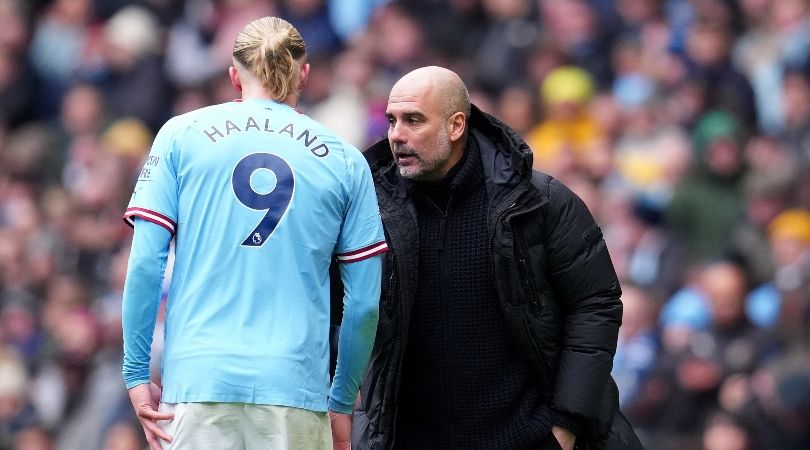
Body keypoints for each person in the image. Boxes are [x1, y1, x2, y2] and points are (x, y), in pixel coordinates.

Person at [121, 17, 386, 450]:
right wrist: (340, 402)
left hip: (198, 383)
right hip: (295, 389)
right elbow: (364, 305)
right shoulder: (345, 159)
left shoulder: (180, 135)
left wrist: (135, 373)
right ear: (304, 73)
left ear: (233, 77)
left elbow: (146, 264)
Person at [353, 66, 642, 450]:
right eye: (391, 121)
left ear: (456, 125)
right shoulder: (370, 210)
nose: (396, 135)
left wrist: (566, 421)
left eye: (413, 120)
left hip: (528, 439)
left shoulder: (539, 202)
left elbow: (594, 304)